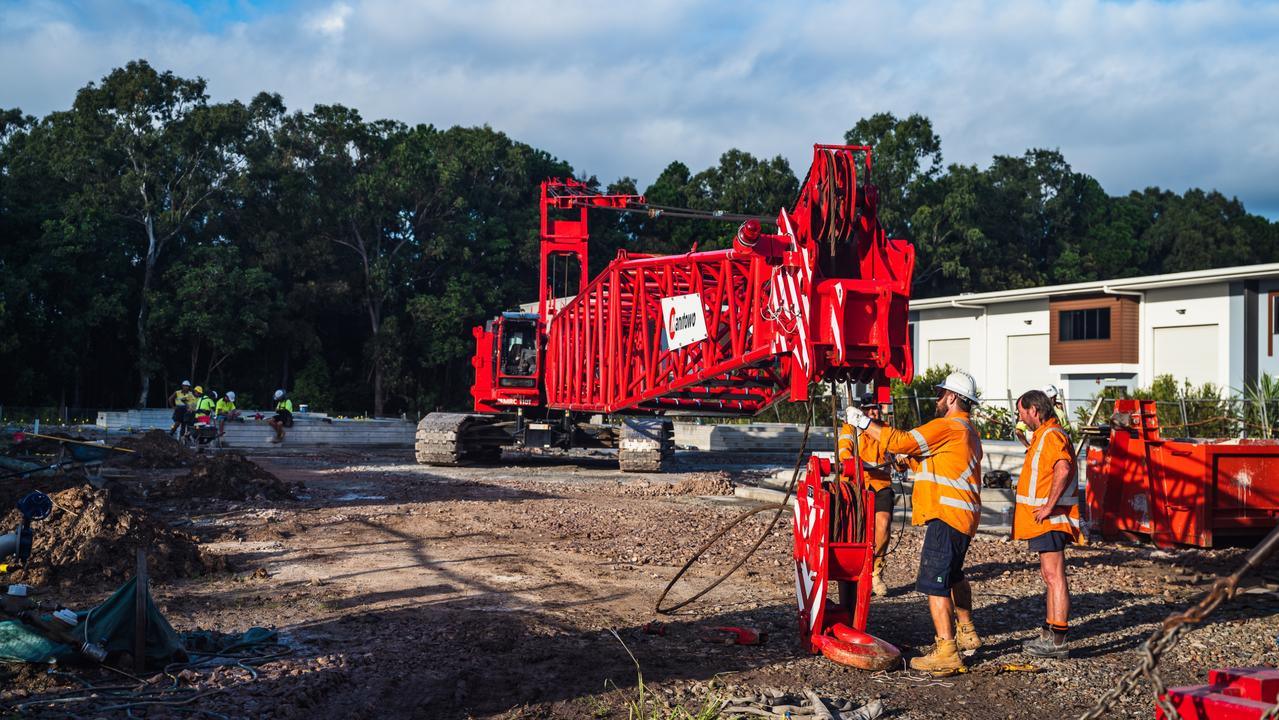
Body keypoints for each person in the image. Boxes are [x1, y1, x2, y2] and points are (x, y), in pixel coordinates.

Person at [846, 370, 984, 673]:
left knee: (935, 584)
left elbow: (904, 440)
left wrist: (864, 423)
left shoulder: (947, 426)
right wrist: (905, 459)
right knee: (954, 576)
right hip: (962, 516)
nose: (937, 398)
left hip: (946, 515)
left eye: (940, 393)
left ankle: (946, 650)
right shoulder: (967, 430)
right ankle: (967, 631)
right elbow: (934, 459)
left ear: (951, 398)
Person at [1013, 388, 1083, 659]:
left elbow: (1062, 468)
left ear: (1034, 410)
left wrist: (1049, 506)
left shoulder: (1052, 435)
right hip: (1047, 520)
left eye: (1022, 412)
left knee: (1054, 577)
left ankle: (1057, 640)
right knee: (1050, 576)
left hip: (1051, 519)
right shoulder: (1045, 435)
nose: (1021, 418)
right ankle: (1050, 633)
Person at [836, 393, 895, 597]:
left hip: (880, 483)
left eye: (876, 408)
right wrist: (852, 462)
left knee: (883, 523)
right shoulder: (850, 428)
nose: (874, 412)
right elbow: (844, 450)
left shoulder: (885, 429)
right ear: (861, 410)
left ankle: (875, 571)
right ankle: (855, 571)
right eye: (869, 408)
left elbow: (895, 450)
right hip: (856, 483)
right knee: (855, 529)